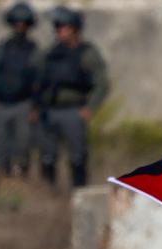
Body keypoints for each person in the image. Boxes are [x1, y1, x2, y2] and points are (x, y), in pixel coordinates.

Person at [37, 6, 109, 187]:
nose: (60, 32)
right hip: (50, 111)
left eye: (64, 28)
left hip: (74, 111)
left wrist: (89, 108)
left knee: (77, 157)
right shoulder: (51, 54)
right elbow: (39, 82)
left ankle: (79, 193)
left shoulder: (86, 53)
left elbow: (102, 83)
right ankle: (49, 194)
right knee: (47, 157)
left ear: (75, 29)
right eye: (58, 28)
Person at [0, 2, 39, 193]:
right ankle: (1, 180)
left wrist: (35, 106)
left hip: (23, 104)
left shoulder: (34, 50)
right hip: (2, 103)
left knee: (22, 145)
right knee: (1, 146)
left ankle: (21, 182)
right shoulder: (2, 48)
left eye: (24, 23)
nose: (20, 26)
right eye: (17, 23)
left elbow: (38, 80)